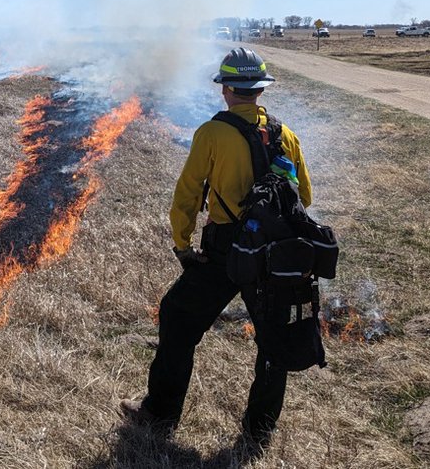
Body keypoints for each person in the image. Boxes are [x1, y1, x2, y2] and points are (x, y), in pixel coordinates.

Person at [121, 47, 312, 449]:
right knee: (273, 341)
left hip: (226, 250)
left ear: (226, 88)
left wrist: (182, 244)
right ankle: (259, 432)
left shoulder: (212, 132)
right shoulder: (286, 134)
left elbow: (188, 194)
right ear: (260, 90)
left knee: (178, 316)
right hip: (275, 253)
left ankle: (159, 415)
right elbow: (304, 198)